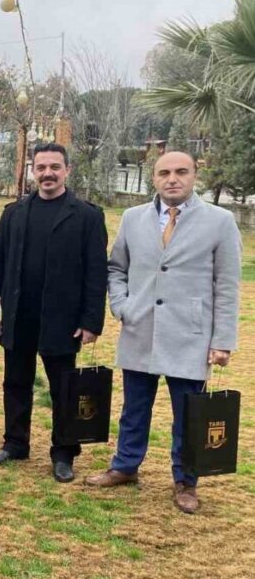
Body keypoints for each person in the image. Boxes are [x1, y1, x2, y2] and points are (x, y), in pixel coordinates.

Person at [87, 151, 241, 514]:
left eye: (181, 172)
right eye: (164, 173)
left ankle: (186, 480)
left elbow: (227, 284)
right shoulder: (133, 217)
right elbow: (116, 268)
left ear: (194, 175)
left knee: (188, 413)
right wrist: (122, 305)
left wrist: (222, 341)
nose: (173, 179)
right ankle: (125, 465)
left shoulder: (220, 221)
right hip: (140, 327)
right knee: (134, 407)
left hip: (190, 333)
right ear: (153, 178)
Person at [0, 143, 108, 482]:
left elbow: (96, 273)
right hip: (19, 315)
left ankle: (64, 453)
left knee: (63, 389)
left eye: (55, 167)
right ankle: (15, 442)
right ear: (33, 170)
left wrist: (92, 320)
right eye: (41, 167)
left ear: (67, 170)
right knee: (15, 383)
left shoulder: (87, 216)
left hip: (63, 322)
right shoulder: (14, 213)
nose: (47, 173)